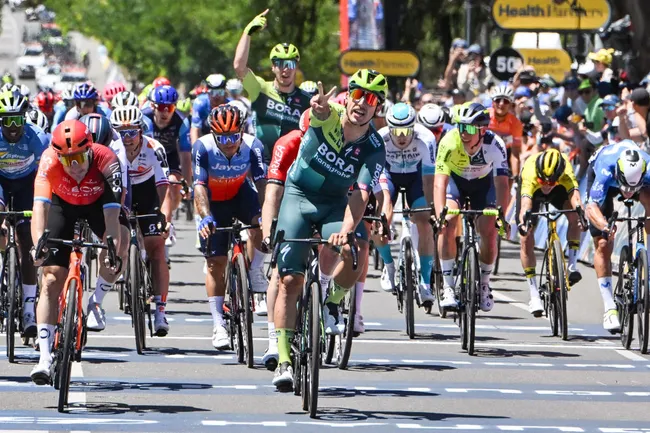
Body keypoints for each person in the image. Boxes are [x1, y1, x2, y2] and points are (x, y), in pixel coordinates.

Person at [271, 69, 386, 388]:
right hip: (299, 195)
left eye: (372, 98)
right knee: (290, 280)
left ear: (378, 108)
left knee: (352, 254)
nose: (363, 103)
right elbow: (314, 114)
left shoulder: (375, 146)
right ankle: (283, 360)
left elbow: (362, 192)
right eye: (358, 94)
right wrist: (317, 110)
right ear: (348, 96)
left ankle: (332, 301)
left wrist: (347, 229)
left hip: (335, 202)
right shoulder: (328, 114)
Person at [29, 120, 127, 384]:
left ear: (91, 150)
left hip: (99, 203)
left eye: (80, 157)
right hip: (63, 205)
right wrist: (38, 244)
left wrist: (111, 247)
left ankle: (96, 301)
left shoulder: (108, 159)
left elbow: (112, 214)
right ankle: (45, 357)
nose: (74, 166)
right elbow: (40, 208)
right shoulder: (49, 160)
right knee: (50, 277)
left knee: (119, 243)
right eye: (67, 159)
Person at [192, 105, 267, 350]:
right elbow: (200, 186)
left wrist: (267, 213)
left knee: (261, 225)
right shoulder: (202, 147)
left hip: (240, 193)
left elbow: (262, 183)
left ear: (241, 131)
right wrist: (205, 216)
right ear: (213, 135)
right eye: (222, 138)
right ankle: (218, 324)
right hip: (214, 201)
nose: (228, 143)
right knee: (216, 263)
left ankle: (255, 269)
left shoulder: (253, 146)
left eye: (233, 137)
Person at [435, 103, 510, 311]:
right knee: (447, 223)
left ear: (482, 129)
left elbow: (503, 184)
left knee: (489, 230)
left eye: (468, 128)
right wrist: (440, 212)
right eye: (460, 127)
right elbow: (440, 182)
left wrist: (501, 215)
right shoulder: (449, 142)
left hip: (483, 185)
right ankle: (448, 287)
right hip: (456, 182)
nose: (463, 133)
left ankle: (484, 284)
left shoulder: (495, 145)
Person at [110, 106, 173, 336]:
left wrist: (165, 218)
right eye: (121, 132)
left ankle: (161, 311)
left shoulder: (154, 149)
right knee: (120, 241)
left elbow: (164, 187)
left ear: (141, 130)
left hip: (148, 193)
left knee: (157, 248)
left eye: (131, 132)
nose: (126, 138)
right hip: (122, 193)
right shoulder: (112, 150)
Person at [374, 103, 436, 308]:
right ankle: (388, 265)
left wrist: (430, 208)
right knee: (380, 217)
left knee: (424, 220)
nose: (401, 136)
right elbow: (376, 179)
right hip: (388, 176)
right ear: (389, 127)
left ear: (414, 127)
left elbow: (428, 181)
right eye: (396, 131)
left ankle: (426, 282)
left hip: (416, 179)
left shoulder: (426, 139)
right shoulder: (380, 139)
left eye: (406, 131)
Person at [585, 141, 650, 332]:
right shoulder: (605, 168)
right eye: (626, 187)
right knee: (603, 243)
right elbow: (591, 207)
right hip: (606, 179)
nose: (628, 194)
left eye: (633, 189)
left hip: (640, 182)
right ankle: (609, 308)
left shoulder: (647, 169)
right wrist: (605, 225)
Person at [0, 89, 49, 340]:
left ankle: (29, 310)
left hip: (27, 183)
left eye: (16, 120)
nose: (12, 127)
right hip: (1, 181)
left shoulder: (36, 137)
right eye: (6, 120)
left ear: (24, 118)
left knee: (25, 240)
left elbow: (46, 175)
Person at [233, 10, 312, 164]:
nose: (285, 69)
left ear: (296, 67)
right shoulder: (260, 88)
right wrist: (247, 33)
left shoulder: (306, 99)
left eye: (290, 64)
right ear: (273, 67)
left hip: (291, 165)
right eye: (280, 63)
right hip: (261, 161)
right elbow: (239, 67)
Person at [518, 149, 584, 316]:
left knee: (575, 216)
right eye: (544, 180)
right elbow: (525, 204)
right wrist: (523, 223)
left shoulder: (566, 171)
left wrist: (582, 216)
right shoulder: (531, 172)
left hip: (559, 191)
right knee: (525, 236)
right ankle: (533, 294)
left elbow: (576, 198)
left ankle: (572, 266)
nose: (547, 184)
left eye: (551, 181)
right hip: (534, 191)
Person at [142, 85, 192, 249]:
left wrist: (187, 183)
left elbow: (185, 155)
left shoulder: (181, 121)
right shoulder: (144, 118)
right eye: (161, 108)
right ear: (152, 106)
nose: (165, 113)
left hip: (169, 156)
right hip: (147, 155)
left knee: (172, 184)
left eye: (169, 108)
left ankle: (167, 223)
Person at [488, 85, 523, 180]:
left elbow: (515, 152)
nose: (501, 104)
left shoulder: (516, 124)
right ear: (492, 102)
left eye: (506, 101)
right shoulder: (484, 117)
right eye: (498, 100)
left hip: (504, 154)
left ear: (511, 105)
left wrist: (516, 176)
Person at [189, 74, 229, 144]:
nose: (216, 97)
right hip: (204, 136)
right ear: (207, 93)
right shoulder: (200, 102)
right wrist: (195, 150)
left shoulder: (231, 105)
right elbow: (195, 130)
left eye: (220, 92)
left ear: (225, 93)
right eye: (212, 92)